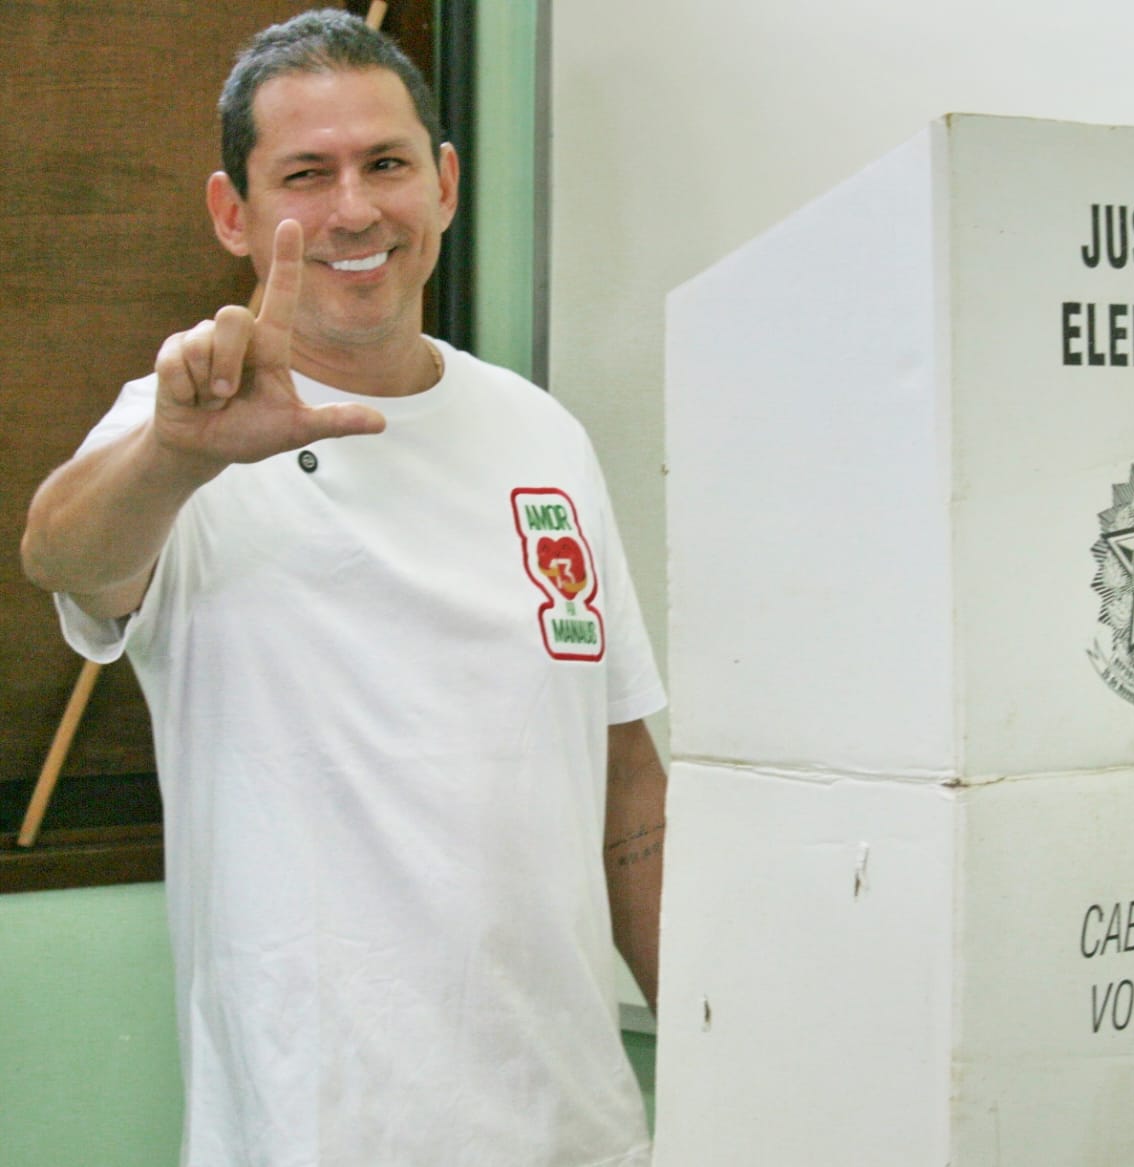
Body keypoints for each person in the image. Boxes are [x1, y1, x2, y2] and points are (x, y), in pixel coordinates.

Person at [19, 10, 668, 1166]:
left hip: (580, 1127)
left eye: (386, 165)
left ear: (446, 183)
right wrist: (181, 451)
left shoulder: (543, 434)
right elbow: (64, 556)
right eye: (304, 176)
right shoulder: (182, 429)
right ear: (235, 212)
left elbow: (628, 789)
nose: (354, 211)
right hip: (315, 1130)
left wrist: (729, 1040)